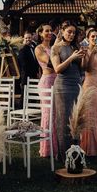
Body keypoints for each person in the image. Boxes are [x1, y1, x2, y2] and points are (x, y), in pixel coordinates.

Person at [51, 22, 84, 160]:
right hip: (63, 87)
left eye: (73, 33)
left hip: (76, 85)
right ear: (62, 31)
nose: (71, 35)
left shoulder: (75, 46)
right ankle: (63, 154)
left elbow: (82, 68)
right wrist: (71, 58)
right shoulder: (56, 48)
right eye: (69, 32)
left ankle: (75, 150)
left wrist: (85, 57)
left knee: (76, 118)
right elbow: (57, 69)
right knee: (63, 120)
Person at [80, 28, 97, 157]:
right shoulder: (85, 51)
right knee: (90, 116)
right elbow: (87, 68)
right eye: (93, 36)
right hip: (89, 85)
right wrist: (92, 53)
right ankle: (90, 148)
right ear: (88, 38)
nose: (95, 39)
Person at [35, 24, 57, 157]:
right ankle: (47, 148)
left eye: (50, 30)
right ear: (41, 34)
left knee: (56, 113)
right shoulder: (39, 48)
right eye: (46, 31)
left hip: (57, 81)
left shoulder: (52, 48)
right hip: (47, 81)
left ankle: (56, 145)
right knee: (48, 114)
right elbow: (50, 63)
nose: (49, 33)